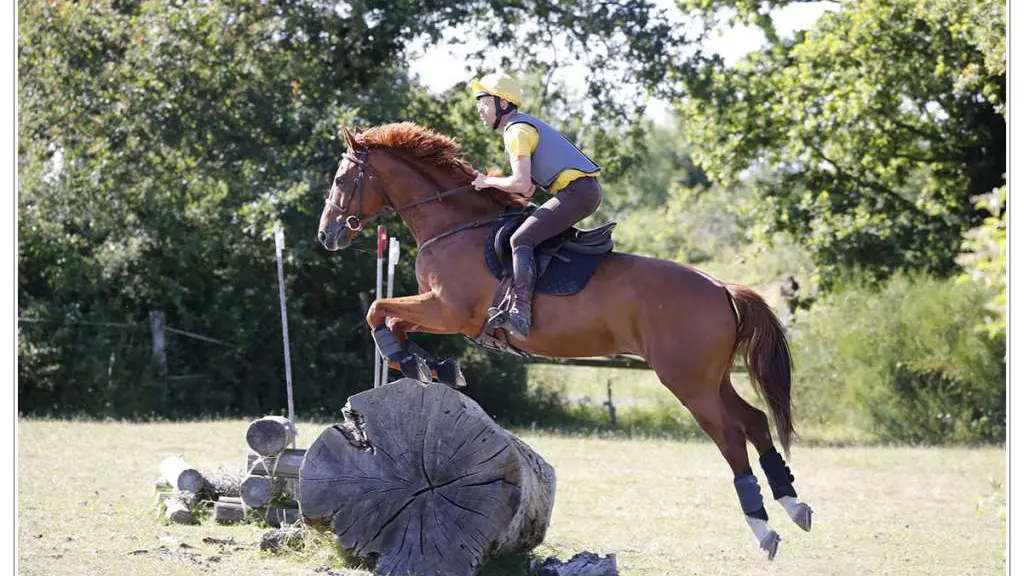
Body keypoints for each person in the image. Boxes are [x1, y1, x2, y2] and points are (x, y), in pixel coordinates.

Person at [469, 71, 603, 339]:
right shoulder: (520, 127)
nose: (480, 110)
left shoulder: (516, 131)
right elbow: (528, 187)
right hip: (580, 191)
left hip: (577, 192)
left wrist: (487, 182)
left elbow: (520, 184)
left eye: (484, 103)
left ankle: (521, 313)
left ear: (503, 104)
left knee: (520, 240)